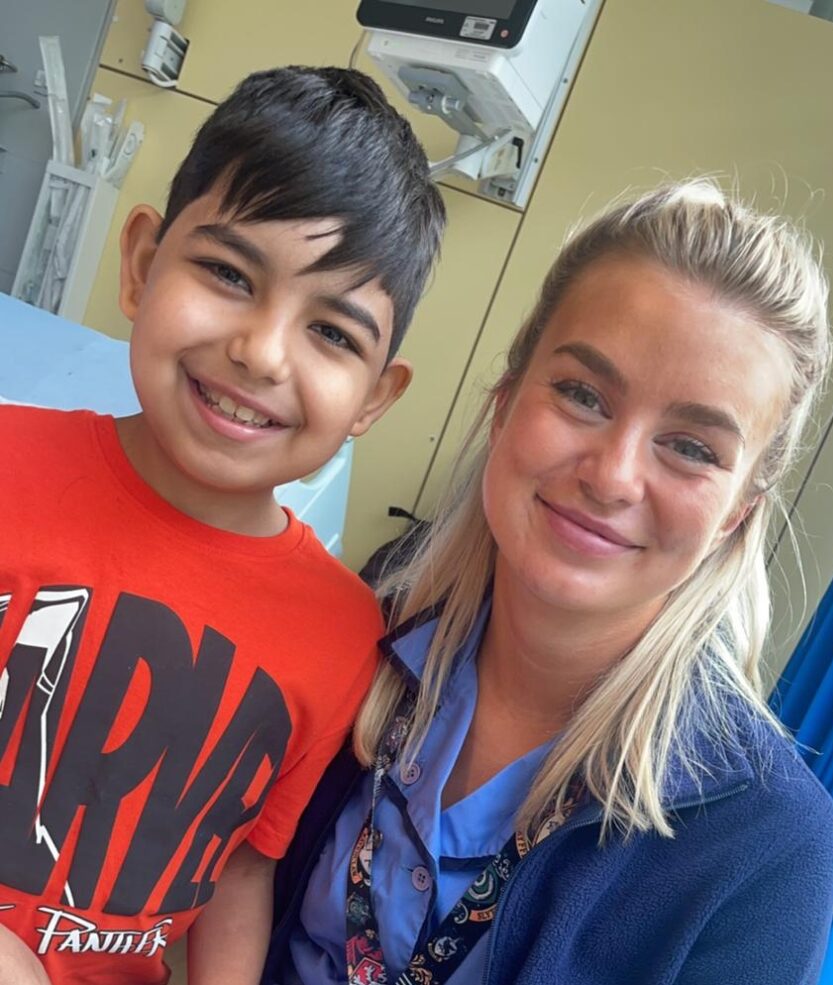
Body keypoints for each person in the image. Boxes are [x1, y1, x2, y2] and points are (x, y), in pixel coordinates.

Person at [265, 179, 833, 985]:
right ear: (505, 402)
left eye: (693, 447)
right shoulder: (374, 616)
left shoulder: (768, 846)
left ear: (738, 512)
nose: (612, 476)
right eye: (581, 394)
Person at [0, 66, 445, 985]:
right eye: (228, 272)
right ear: (140, 264)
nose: (260, 350)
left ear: (374, 399)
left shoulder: (341, 632)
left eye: (332, 333)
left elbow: (242, 863)